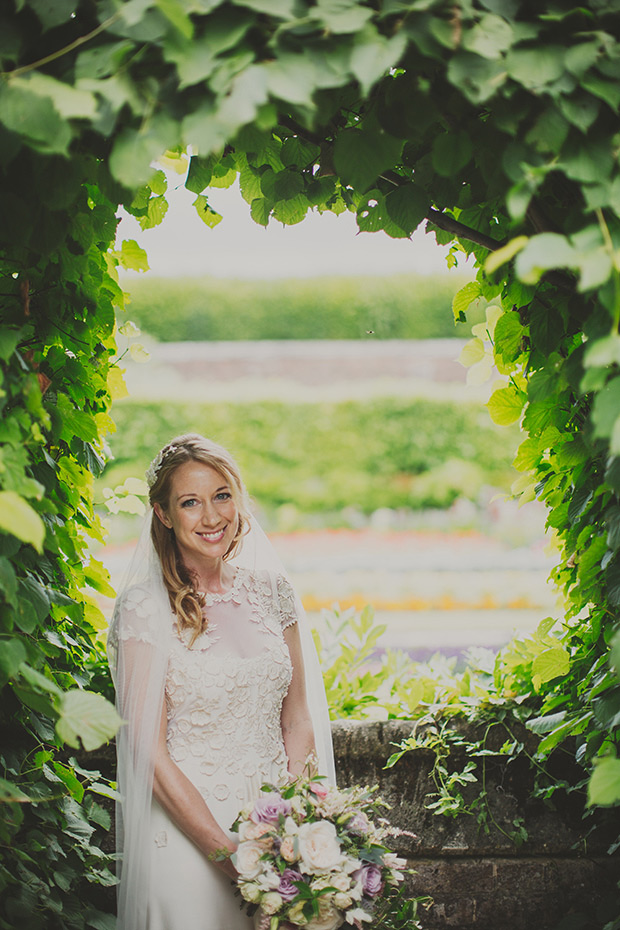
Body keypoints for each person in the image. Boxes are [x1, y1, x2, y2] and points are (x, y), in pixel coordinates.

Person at [107, 434, 335, 930]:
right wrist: (228, 855)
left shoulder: (273, 592)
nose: (211, 517)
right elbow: (146, 750)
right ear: (164, 515)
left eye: (221, 496)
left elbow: (296, 716)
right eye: (190, 503)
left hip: (276, 831)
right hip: (191, 832)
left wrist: (293, 821)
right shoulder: (145, 610)